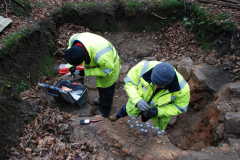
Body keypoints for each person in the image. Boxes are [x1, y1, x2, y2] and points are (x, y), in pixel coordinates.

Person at [110, 61, 190, 130]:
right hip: (135, 104)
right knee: (125, 110)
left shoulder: (183, 89)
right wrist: (137, 100)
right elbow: (129, 82)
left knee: (146, 129)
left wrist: (159, 111)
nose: (156, 87)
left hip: (155, 115)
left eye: (160, 86)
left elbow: (180, 107)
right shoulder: (143, 67)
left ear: (169, 83)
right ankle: (119, 117)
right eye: (154, 83)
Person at [64, 32, 121, 117]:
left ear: (84, 58)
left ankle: (105, 109)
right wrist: (71, 66)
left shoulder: (102, 56)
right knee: (99, 86)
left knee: (106, 90)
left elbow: (107, 70)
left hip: (110, 67)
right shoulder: (74, 39)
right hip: (101, 62)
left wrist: (87, 72)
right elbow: (70, 49)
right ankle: (101, 99)